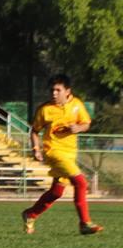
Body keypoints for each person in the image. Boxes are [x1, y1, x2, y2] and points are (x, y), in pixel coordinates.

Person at [22, 74, 103, 235]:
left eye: (58, 90)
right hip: (53, 151)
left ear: (67, 91)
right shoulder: (45, 109)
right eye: (52, 90)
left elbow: (86, 123)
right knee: (81, 183)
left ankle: (30, 214)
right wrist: (36, 149)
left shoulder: (77, 105)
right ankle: (84, 223)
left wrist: (78, 128)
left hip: (70, 153)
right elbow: (35, 131)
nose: (54, 93)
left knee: (57, 191)